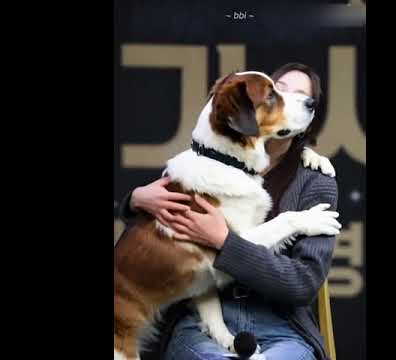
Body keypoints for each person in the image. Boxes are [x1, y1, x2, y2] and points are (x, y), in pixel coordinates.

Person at [118, 63, 339, 360]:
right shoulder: (208, 164)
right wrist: (134, 199)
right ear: (245, 115)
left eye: (303, 95)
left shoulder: (315, 180)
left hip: (280, 326)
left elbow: (302, 284)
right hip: (200, 322)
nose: (293, 101)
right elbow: (156, 237)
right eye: (279, 91)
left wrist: (223, 241)